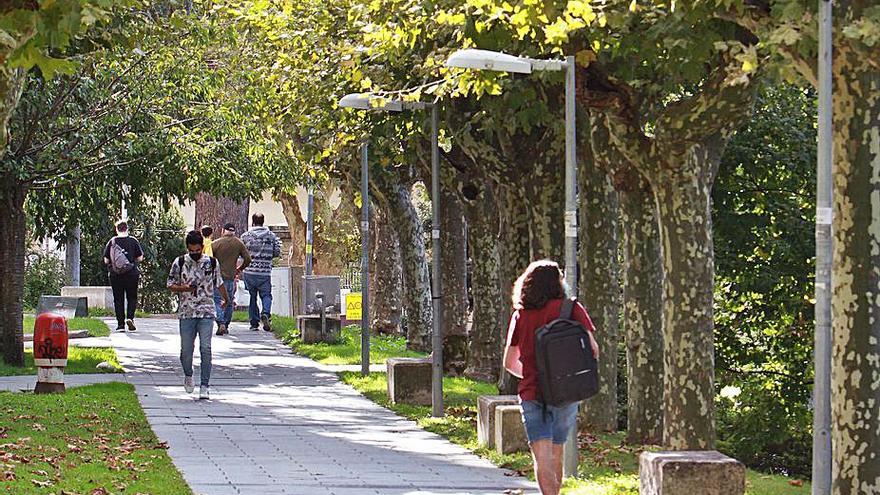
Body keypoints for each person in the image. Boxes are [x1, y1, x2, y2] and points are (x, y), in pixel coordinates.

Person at [503, 260, 600, 495]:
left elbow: (509, 361)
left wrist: (527, 374)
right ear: (558, 283)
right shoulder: (572, 309)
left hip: (531, 391)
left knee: (541, 455)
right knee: (557, 450)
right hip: (564, 391)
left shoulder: (521, 315)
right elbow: (593, 350)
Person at [167, 230, 229, 400]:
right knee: (186, 350)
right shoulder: (179, 262)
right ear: (187, 248)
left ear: (202, 247)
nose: (194, 254)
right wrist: (184, 288)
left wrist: (226, 299)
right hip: (186, 311)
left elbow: (219, 282)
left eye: (197, 250)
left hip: (206, 310)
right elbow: (170, 284)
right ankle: (188, 373)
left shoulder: (212, 263)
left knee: (206, 347)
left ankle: (205, 385)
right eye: (191, 251)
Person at [240, 213, 281, 332]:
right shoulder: (271, 236)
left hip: (249, 271)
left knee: (252, 296)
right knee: (266, 295)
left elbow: (241, 253)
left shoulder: (245, 236)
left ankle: (254, 323)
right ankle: (266, 313)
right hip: (264, 272)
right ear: (263, 221)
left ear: (253, 222)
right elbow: (277, 252)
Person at [103, 220, 144, 332]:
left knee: (118, 299)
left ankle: (120, 325)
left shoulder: (112, 242)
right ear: (127, 228)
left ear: (117, 229)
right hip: (131, 274)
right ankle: (130, 318)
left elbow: (106, 260)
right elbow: (140, 258)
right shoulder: (133, 241)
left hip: (115, 275)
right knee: (132, 297)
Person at [210, 223, 252, 335]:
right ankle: (226, 324)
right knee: (228, 301)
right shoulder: (238, 243)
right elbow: (247, 258)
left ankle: (220, 322)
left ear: (223, 230)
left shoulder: (215, 244)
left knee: (217, 300)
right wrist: (239, 268)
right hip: (230, 277)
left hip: (217, 277)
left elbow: (208, 260)